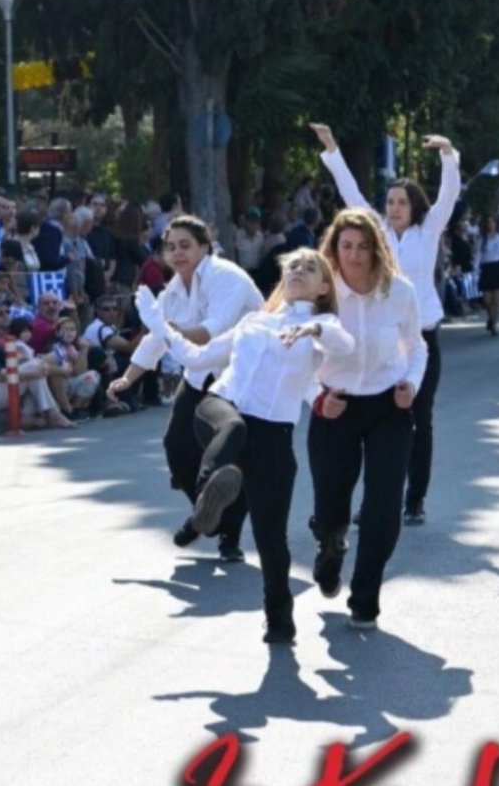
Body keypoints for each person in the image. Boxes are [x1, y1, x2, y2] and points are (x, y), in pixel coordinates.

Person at [137, 248, 353, 643]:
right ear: (282, 280)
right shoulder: (254, 321)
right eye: (292, 267)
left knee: (271, 540)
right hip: (220, 409)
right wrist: (158, 324)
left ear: (324, 286)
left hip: (273, 436)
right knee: (233, 429)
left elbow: (343, 346)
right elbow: (198, 357)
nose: (298, 272)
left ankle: (280, 621)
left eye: (310, 268)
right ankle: (207, 504)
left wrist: (314, 339)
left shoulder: (324, 327)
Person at [312, 123, 459, 525]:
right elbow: (350, 194)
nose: (393, 207)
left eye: (401, 202)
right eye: (390, 201)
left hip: (420, 337)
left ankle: (415, 499)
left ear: (414, 207)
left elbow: (449, 195)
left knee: (418, 418)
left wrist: (448, 153)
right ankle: (374, 502)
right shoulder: (373, 232)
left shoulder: (428, 231)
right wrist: (332, 148)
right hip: (378, 339)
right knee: (373, 423)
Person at [106, 215, 263, 562]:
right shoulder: (174, 289)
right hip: (199, 374)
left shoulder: (228, 278)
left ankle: (229, 537)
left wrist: (162, 326)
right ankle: (207, 514)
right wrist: (127, 379)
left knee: (229, 457)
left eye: (185, 245)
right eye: (171, 247)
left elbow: (210, 332)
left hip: (241, 377)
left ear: (205, 247)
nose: (177, 253)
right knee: (177, 447)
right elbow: (155, 339)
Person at [308, 209, 427, 630]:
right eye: (346, 247)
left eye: (362, 247)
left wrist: (410, 383)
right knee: (329, 511)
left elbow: (416, 347)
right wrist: (317, 399)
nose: (354, 257)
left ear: (376, 249)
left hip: (387, 408)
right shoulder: (319, 293)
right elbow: (295, 354)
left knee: (382, 509)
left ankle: (365, 597)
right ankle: (329, 545)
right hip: (334, 406)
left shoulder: (400, 292)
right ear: (333, 250)